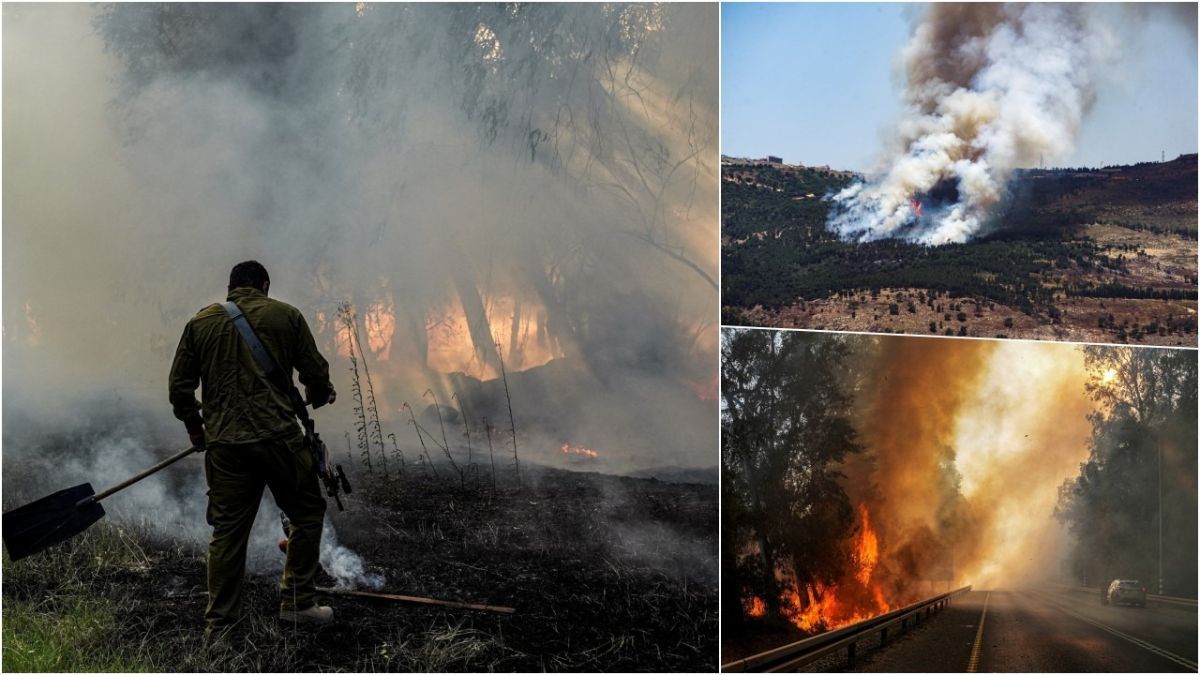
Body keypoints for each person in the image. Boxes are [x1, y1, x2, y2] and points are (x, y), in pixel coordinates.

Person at [169, 260, 337, 639]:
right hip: (279, 439)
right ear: (264, 285)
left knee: (227, 532)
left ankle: (220, 626)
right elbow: (315, 376)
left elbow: (179, 388)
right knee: (307, 513)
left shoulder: (200, 323)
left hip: (226, 446)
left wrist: (197, 429)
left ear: (230, 289)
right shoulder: (286, 315)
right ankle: (297, 604)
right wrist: (318, 394)